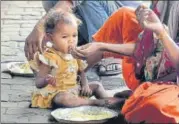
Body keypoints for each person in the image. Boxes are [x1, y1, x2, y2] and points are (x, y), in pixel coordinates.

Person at [72, 1, 179, 123]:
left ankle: (134, 98)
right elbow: (143, 46)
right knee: (124, 14)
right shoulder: (161, 4)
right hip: (151, 72)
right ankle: (74, 75)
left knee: (155, 106)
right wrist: (100, 47)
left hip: (171, 80)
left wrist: (161, 33)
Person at [29, 10, 123, 109]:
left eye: (74, 35)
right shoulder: (50, 57)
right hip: (57, 92)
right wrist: (46, 80)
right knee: (63, 99)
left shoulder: (74, 54)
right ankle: (94, 102)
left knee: (97, 85)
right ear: (50, 38)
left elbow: (81, 72)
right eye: (65, 37)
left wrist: (85, 85)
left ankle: (110, 101)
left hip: (75, 89)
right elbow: (38, 82)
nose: (71, 40)